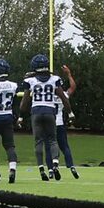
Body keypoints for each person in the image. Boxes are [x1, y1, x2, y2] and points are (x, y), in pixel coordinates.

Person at [22, 54, 68, 182]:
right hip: (49, 111)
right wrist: (70, 113)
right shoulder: (55, 79)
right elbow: (64, 98)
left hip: (36, 111)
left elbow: (25, 102)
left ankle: (41, 169)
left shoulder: (29, 80)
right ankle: (55, 164)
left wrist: (20, 116)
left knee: (38, 141)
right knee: (53, 140)